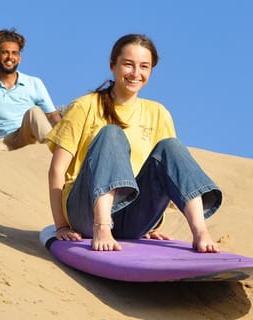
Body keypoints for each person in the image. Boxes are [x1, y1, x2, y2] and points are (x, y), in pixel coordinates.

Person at [46, 34, 223, 253]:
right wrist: (61, 225)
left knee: (171, 146)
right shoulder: (85, 106)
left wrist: (152, 224)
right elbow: (57, 170)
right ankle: (102, 227)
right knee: (111, 133)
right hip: (85, 212)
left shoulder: (158, 113)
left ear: (151, 71)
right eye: (128, 64)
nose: (135, 73)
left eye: (144, 66)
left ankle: (200, 231)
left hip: (131, 217)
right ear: (113, 65)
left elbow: (168, 173)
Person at [0, 28, 61, 152]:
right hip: (2, 143)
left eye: (14, 53)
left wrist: (64, 137)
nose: (10, 57)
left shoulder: (34, 83)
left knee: (35, 112)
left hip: (27, 137)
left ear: (19, 58)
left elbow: (52, 115)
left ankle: (56, 152)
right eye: (5, 52)